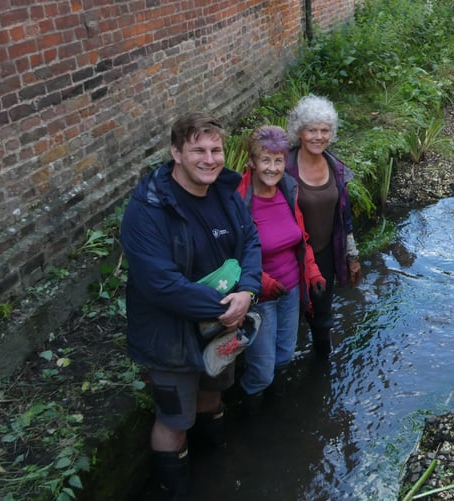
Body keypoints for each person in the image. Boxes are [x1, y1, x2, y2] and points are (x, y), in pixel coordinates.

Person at [120, 111, 262, 499]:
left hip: (222, 326)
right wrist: (224, 306)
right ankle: (175, 488)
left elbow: (250, 241)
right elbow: (160, 284)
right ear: (176, 153)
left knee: (214, 392)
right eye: (198, 149)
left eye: (216, 149)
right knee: (174, 418)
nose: (210, 158)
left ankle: (214, 465)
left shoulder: (224, 194)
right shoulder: (147, 210)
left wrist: (248, 291)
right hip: (172, 337)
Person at [236, 125, 326, 413]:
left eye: (278, 161)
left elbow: (301, 239)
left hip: (291, 290)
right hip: (260, 297)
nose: (273, 168)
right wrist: (259, 282)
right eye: (265, 160)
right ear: (251, 161)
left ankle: (275, 415)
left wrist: (312, 272)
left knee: (285, 355)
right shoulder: (239, 200)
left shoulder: (288, 190)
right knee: (261, 369)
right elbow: (230, 255)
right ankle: (251, 419)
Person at [285, 95, 361, 357]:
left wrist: (352, 256)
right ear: (300, 132)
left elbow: (344, 218)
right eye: (312, 130)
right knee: (289, 317)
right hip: (290, 259)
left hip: (326, 254)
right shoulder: (284, 169)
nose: (318, 136)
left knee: (322, 318)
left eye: (324, 130)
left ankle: (321, 370)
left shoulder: (336, 168)